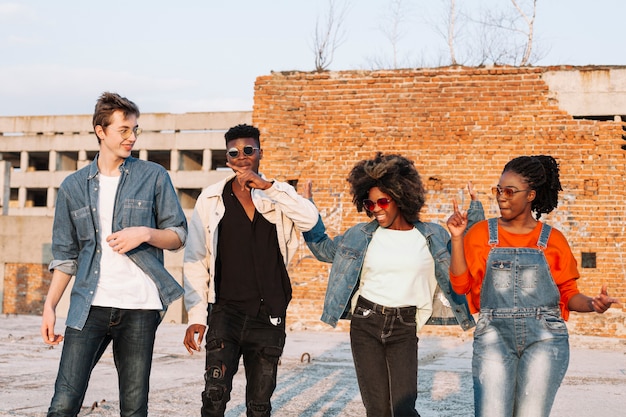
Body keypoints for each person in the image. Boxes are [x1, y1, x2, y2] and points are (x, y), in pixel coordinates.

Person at [302, 152, 484, 417]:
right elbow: (323, 249)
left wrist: (475, 211)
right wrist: (307, 211)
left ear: (400, 197)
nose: (376, 209)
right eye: (369, 204)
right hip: (366, 321)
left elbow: (465, 254)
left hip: (405, 325)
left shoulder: (431, 235)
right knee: (377, 410)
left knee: (404, 409)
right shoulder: (360, 235)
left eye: (383, 201)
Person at [40, 92, 188, 417]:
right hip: (88, 307)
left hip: (140, 307)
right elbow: (66, 256)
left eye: (135, 129)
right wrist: (50, 306)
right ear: (100, 130)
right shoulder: (73, 187)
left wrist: (145, 233)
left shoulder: (154, 176)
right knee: (64, 403)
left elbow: (178, 235)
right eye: (124, 129)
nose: (132, 137)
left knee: (134, 409)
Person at [447, 155, 620, 417]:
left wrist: (593, 305)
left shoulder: (553, 240)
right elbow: (460, 287)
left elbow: (569, 294)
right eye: (498, 190)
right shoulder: (481, 234)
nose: (501, 197)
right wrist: (458, 239)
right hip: (493, 335)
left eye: (509, 191)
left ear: (530, 195)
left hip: (545, 339)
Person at [182, 123, 319, 417]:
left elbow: (310, 220)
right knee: (214, 398)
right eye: (234, 152)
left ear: (259, 153)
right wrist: (195, 316)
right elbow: (195, 258)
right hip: (224, 312)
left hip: (268, 313)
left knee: (259, 406)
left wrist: (268, 187)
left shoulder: (278, 195)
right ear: (227, 158)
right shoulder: (210, 199)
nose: (242, 157)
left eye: (249, 150)